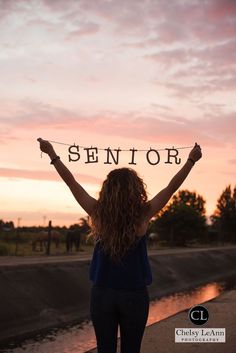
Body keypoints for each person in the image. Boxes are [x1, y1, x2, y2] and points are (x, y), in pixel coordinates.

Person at [37, 138, 202, 353]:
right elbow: (171, 187)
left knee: (105, 349)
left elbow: (72, 183)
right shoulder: (143, 214)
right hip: (134, 295)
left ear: (107, 190)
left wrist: (52, 154)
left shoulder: (97, 213)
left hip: (102, 295)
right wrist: (191, 160)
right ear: (136, 190)